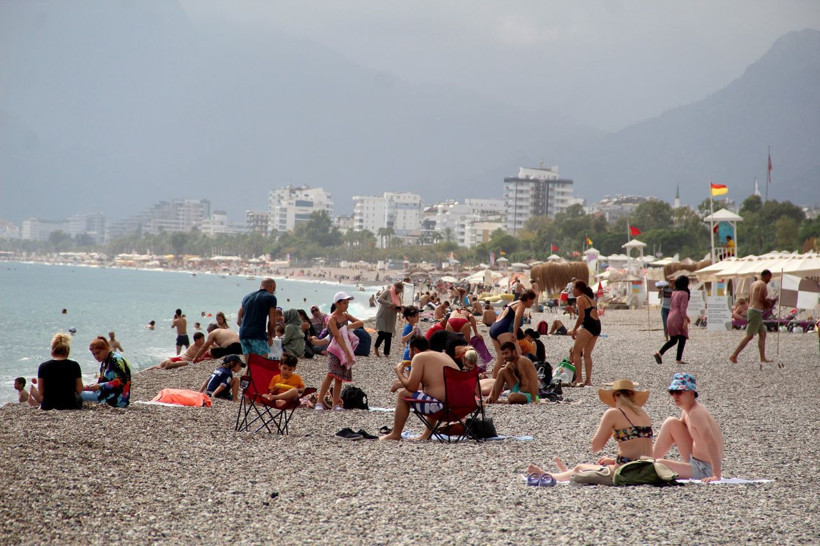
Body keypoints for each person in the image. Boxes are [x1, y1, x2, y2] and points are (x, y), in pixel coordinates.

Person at [527, 379, 653, 481]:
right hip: (647, 470)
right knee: (596, 466)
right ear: (632, 395)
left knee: (579, 468)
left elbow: (595, 447)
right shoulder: (643, 414)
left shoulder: (614, 413)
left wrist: (610, 430)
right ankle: (565, 474)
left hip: (626, 473)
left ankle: (550, 476)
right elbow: (638, 448)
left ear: (614, 397)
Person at [380, 337, 459, 441]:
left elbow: (411, 387)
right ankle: (427, 434)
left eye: (409, 351)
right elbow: (433, 384)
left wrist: (399, 373)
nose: (409, 355)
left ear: (415, 350)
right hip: (460, 405)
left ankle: (395, 434)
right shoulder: (443, 355)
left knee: (403, 394)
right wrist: (400, 383)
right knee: (429, 393)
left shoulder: (419, 357)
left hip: (442, 407)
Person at [653, 373, 723, 482]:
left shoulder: (696, 413)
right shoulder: (687, 411)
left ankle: (648, 463)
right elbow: (677, 431)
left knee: (659, 465)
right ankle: (648, 460)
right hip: (694, 460)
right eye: (672, 392)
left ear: (691, 393)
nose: (675, 396)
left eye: (679, 392)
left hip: (704, 468)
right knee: (671, 422)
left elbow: (711, 442)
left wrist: (716, 475)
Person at [315, 292, 364, 411]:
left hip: (344, 348)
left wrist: (347, 327)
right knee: (331, 374)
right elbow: (337, 336)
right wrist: (347, 351)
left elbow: (360, 323)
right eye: (344, 303)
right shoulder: (332, 318)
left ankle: (335, 404)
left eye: (347, 303)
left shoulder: (346, 316)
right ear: (337, 304)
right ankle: (319, 402)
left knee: (339, 377)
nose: (346, 306)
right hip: (335, 349)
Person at [730, 270, 776, 367]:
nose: (770, 280)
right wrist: (767, 303)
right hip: (755, 311)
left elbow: (750, 299)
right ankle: (734, 355)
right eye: (770, 277)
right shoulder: (762, 285)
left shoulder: (754, 283)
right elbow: (760, 298)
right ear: (767, 276)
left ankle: (763, 358)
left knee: (762, 334)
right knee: (749, 335)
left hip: (754, 310)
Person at [27, 333, 83, 410]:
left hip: (48, 404)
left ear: (52, 352)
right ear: (67, 352)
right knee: (78, 398)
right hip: (70, 404)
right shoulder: (74, 365)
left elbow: (41, 391)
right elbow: (79, 389)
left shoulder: (43, 366)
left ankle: (37, 403)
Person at [488, 290, 537, 375]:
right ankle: (518, 378)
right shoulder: (521, 305)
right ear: (528, 299)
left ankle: (495, 381)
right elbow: (517, 317)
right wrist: (514, 333)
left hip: (494, 328)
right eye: (532, 300)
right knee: (518, 353)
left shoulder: (513, 303)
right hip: (502, 330)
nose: (532, 303)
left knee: (500, 357)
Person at [83, 336, 131, 407]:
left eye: (98, 353)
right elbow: (101, 382)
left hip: (116, 399)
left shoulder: (115, 360)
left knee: (77, 394)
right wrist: (87, 387)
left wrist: (100, 386)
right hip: (108, 395)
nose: (96, 357)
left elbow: (123, 380)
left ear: (106, 349)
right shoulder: (105, 362)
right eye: (94, 354)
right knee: (78, 391)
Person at [569, 280, 600, 387]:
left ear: (578, 289)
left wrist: (574, 329)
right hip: (597, 326)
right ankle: (588, 380)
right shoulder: (591, 299)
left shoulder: (580, 298)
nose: (572, 290)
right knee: (587, 354)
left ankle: (579, 379)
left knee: (575, 352)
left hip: (588, 326)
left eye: (573, 288)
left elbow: (581, 316)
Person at [653, 276, 691, 365]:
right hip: (678, 317)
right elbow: (682, 308)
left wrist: (686, 317)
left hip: (671, 315)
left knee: (673, 339)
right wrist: (685, 319)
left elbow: (674, 305)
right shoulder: (684, 293)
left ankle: (660, 353)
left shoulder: (674, 292)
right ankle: (678, 360)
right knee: (682, 338)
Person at [237, 278, 278, 357]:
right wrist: (269, 337)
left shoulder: (247, 296)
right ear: (272, 286)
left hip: (243, 334)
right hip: (258, 335)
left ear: (261, 286)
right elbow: (272, 321)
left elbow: (238, 320)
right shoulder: (271, 298)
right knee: (262, 364)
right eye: (274, 290)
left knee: (249, 365)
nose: (273, 292)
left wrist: (246, 328)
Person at [374, 281, 403, 358]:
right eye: (397, 290)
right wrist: (390, 304)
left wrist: (399, 309)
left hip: (391, 317)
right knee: (382, 334)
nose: (397, 292)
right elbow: (379, 299)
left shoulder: (399, 297)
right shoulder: (387, 292)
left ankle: (386, 353)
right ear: (394, 288)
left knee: (389, 335)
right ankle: (376, 347)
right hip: (382, 316)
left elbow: (398, 307)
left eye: (399, 291)